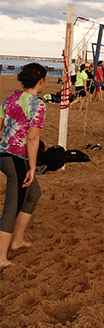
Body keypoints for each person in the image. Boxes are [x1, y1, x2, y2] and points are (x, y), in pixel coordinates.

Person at [1, 63, 47, 268]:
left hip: (3, 154)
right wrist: (32, 166)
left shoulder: (9, 98)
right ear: (41, 81)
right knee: (12, 207)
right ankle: (1, 258)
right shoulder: (37, 104)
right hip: (15, 159)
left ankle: (17, 241)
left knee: (34, 193)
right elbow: (33, 139)